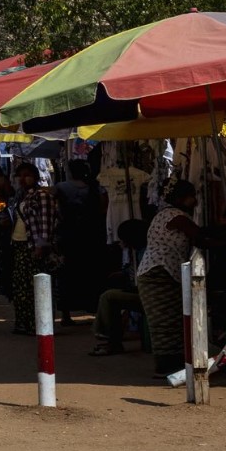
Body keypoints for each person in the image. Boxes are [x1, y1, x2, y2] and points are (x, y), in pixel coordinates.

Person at [136, 182, 203, 376]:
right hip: (158, 273)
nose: (195, 201)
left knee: (171, 319)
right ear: (181, 198)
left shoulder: (169, 215)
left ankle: (172, 363)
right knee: (164, 321)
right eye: (192, 196)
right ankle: (166, 366)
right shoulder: (175, 216)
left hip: (162, 273)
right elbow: (199, 236)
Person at [8, 162, 61, 335]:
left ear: (36, 177)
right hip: (19, 244)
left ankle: (37, 324)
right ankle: (23, 322)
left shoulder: (42, 196)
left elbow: (46, 222)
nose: (23, 179)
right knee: (21, 286)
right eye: (20, 176)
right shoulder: (20, 196)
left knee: (35, 287)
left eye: (27, 175)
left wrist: (41, 246)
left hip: (35, 246)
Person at [55, 158, 106, 324]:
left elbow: (55, 210)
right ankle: (94, 310)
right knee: (91, 273)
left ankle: (66, 315)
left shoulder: (61, 188)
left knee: (66, 274)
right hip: (91, 235)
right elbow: (103, 209)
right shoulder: (94, 187)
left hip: (69, 236)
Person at [89, 219, 150, 356]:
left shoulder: (145, 252)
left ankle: (110, 339)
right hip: (139, 290)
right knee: (109, 294)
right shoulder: (136, 252)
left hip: (146, 294)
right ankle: (110, 337)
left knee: (108, 297)